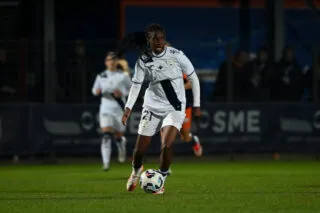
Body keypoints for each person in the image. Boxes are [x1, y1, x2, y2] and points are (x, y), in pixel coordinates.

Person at [121, 24, 201, 194]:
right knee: (139, 150)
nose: (159, 41)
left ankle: (161, 178)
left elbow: (194, 78)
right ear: (148, 40)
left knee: (167, 143)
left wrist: (197, 105)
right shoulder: (143, 60)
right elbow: (136, 85)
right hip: (152, 106)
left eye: (161, 38)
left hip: (175, 107)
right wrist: (128, 108)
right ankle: (136, 171)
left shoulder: (177, 55)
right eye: (154, 38)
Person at [92, 51, 131, 171]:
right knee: (106, 136)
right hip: (106, 107)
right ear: (106, 62)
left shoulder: (123, 76)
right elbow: (94, 90)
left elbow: (132, 90)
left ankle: (121, 145)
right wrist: (97, 91)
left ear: (116, 62)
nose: (111, 62)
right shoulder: (101, 75)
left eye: (113, 59)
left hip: (119, 107)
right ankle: (106, 164)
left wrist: (122, 93)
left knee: (118, 135)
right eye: (109, 60)